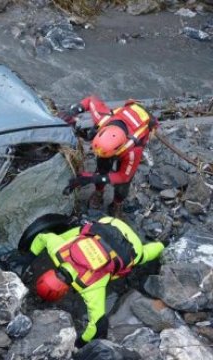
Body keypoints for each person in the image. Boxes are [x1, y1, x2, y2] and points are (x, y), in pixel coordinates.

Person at [15, 214, 164, 347]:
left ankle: (161, 246)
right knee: (77, 235)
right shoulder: (58, 251)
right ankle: (162, 245)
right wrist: (29, 257)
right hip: (108, 223)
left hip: (132, 246)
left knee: (141, 256)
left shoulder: (91, 288)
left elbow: (97, 323)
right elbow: (43, 236)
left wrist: (80, 343)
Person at [60, 96, 158, 217]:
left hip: (138, 128)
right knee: (102, 167)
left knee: (122, 187)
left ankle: (117, 203)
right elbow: (91, 100)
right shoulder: (102, 119)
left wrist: (92, 178)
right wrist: (73, 111)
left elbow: (123, 177)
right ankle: (99, 192)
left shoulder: (134, 151)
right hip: (122, 128)